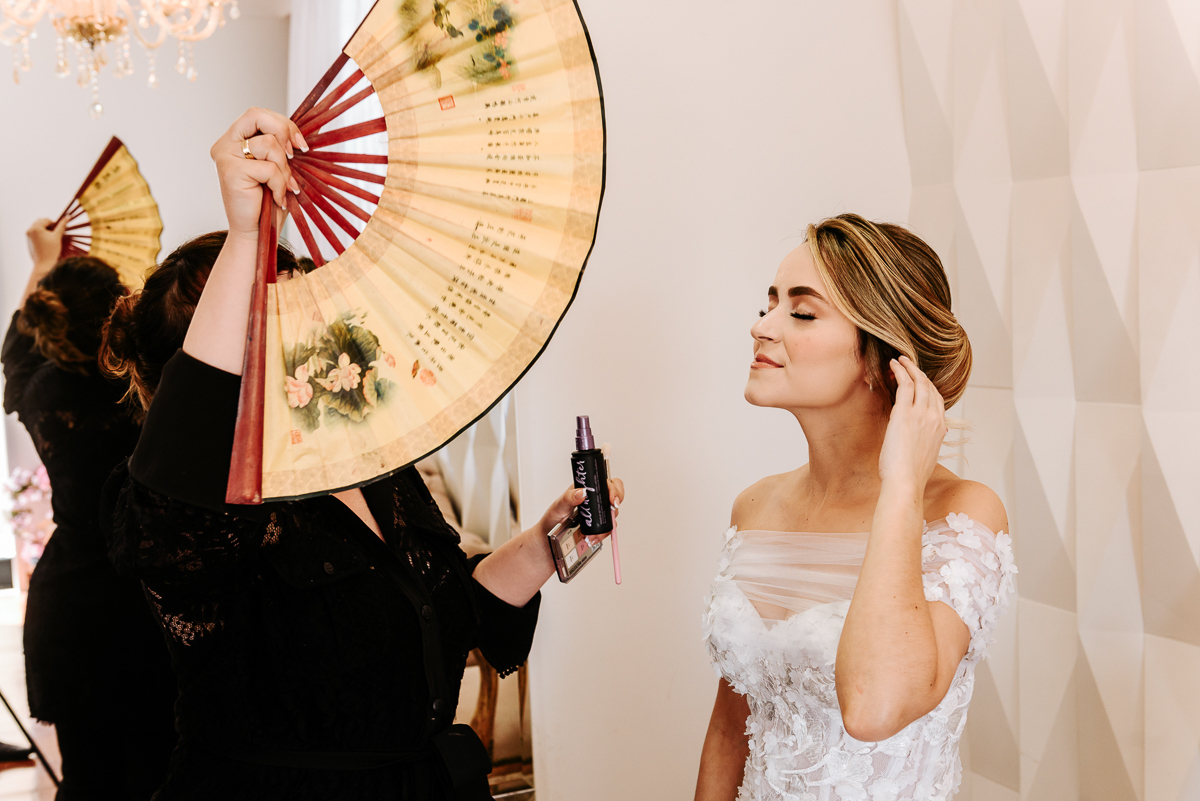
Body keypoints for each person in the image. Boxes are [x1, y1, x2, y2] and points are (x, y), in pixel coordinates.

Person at [100, 107, 624, 801]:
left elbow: (451, 615)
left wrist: (547, 539)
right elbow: (178, 512)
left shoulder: (364, 461)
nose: (306, 309)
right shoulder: (184, 513)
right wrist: (248, 236)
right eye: (270, 304)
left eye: (296, 285)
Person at [695, 215, 1017, 801]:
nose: (761, 326)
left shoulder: (963, 516)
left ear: (881, 356)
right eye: (769, 304)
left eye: (801, 312)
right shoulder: (755, 507)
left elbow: (874, 709)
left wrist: (901, 486)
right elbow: (727, 730)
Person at [2, 220, 176, 800]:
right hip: (149, 608)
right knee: (158, 779)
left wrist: (43, 262)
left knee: (86, 784)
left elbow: (14, 355)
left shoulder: (39, 392)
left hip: (71, 607)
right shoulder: (155, 386)